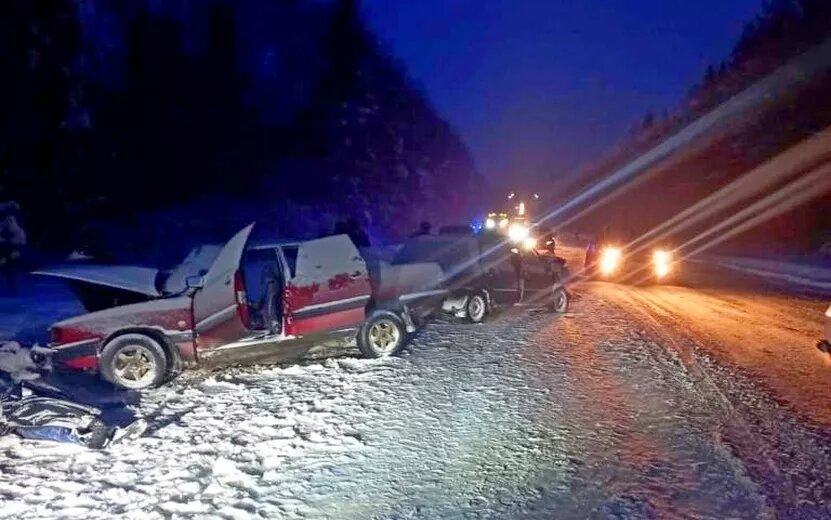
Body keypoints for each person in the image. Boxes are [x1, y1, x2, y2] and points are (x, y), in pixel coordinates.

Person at [0, 212, 26, 296]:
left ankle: (13, 292)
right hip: (4, 254)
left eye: (11, 221)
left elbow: (21, 247)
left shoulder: (20, 232)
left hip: (13, 258)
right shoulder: (2, 230)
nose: (9, 223)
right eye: (7, 221)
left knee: (11, 275)